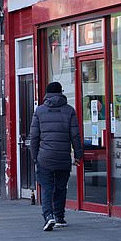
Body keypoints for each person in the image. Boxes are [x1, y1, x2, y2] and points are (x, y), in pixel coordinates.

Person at [30, 81, 83, 231]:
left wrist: (35, 156)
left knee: (47, 187)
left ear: (47, 94)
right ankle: (59, 217)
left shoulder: (39, 111)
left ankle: (48, 216)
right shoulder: (69, 111)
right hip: (63, 157)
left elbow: (34, 137)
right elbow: (75, 136)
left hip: (45, 157)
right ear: (61, 93)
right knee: (60, 187)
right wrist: (78, 155)